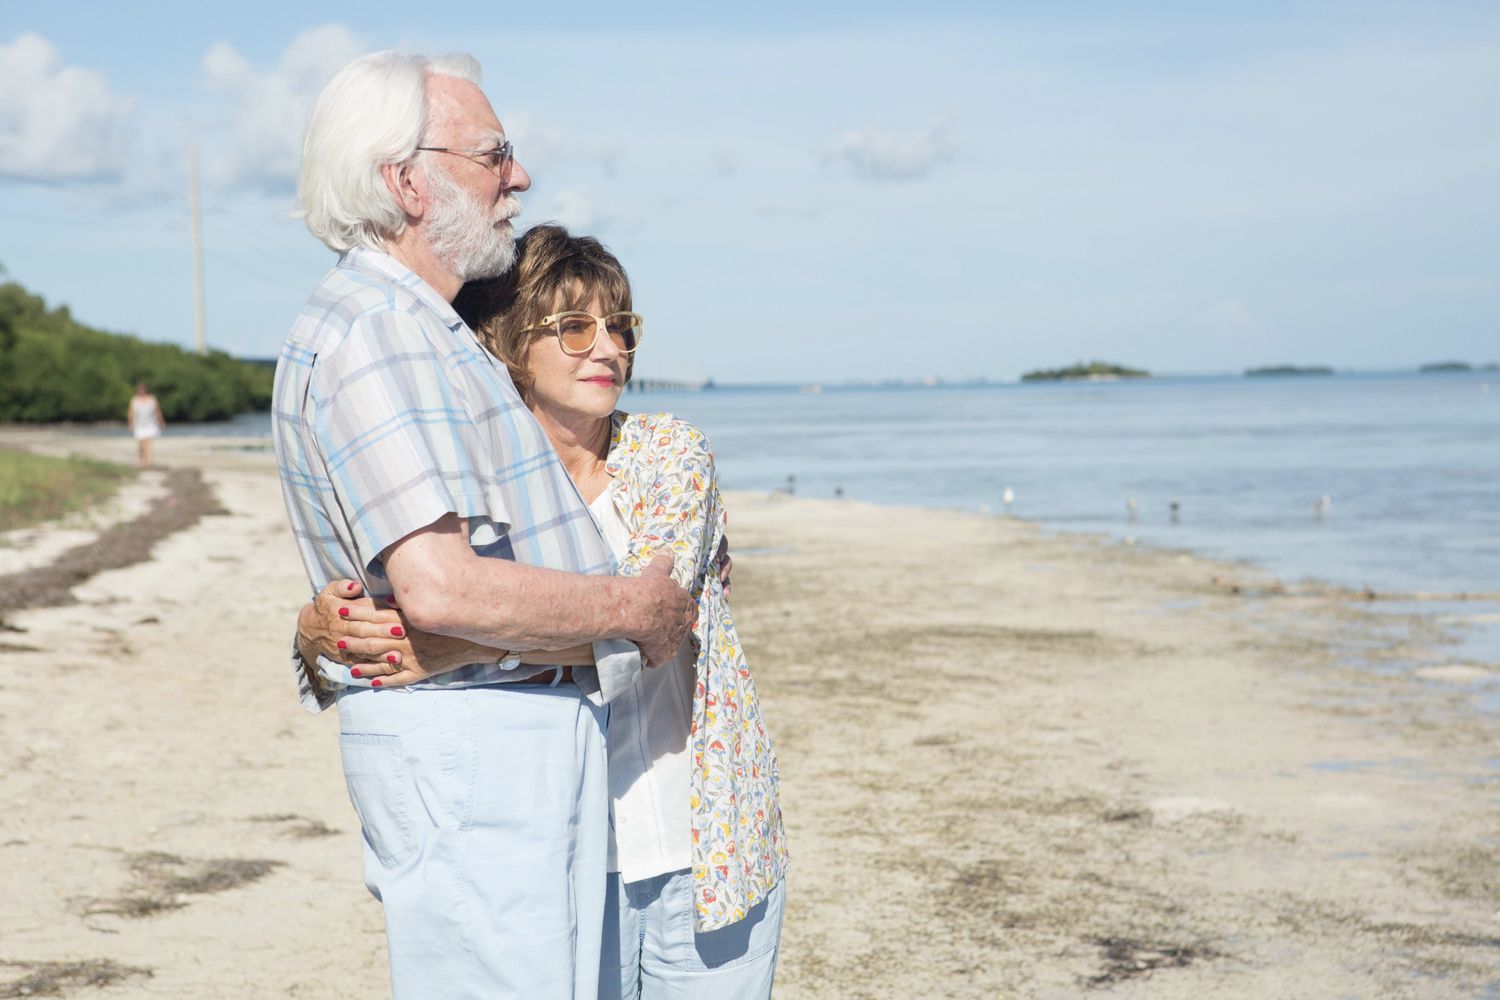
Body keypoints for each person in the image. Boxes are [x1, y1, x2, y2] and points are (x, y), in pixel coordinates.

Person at [273, 51, 697, 1000]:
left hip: (500, 749)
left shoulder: (426, 327)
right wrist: (631, 606)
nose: (520, 176)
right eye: (494, 153)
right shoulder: (378, 329)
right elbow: (438, 587)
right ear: (405, 180)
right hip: (478, 756)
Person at [297, 226, 789, 999]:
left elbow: (647, 622)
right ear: (510, 341)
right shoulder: (477, 487)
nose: (609, 349)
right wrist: (318, 629)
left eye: (620, 325)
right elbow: (376, 623)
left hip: (703, 838)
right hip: (555, 847)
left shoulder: (670, 454)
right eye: (574, 327)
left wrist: (451, 648)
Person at [127, 382, 164, 468]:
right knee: (141, 445)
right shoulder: (134, 400)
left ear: (146, 390)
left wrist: (161, 422)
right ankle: (142, 460)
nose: (141, 391)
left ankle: (147, 462)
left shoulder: (152, 399)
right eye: (140, 389)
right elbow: (131, 413)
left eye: (143, 389)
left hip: (150, 424)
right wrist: (131, 423)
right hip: (139, 425)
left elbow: (157, 412)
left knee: (149, 444)